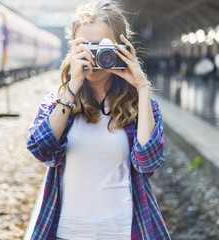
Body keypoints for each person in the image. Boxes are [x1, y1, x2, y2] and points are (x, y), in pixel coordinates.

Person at [26, 1, 171, 239]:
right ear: (72, 49)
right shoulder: (56, 103)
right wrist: (73, 86)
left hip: (125, 232)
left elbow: (148, 162)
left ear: (122, 46)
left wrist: (143, 87)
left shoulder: (142, 107)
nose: (93, 57)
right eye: (85, 47)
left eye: (101, 48)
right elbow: (41, 150)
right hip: (66, 233)